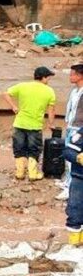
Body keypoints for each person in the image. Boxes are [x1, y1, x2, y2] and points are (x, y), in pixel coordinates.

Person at [3, 67, 57, 181]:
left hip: (19, 124)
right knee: (34, 149)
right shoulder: (49, 91)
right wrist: (51, 124)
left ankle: (20, 173)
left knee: (19, 148)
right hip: (35, 126)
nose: (48, 80)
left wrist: (13, 106)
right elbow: (51, 110)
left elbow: (6, 93)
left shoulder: (22, 86)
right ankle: (33, 174)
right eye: (48, 77)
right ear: (43, 77)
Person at [56, 63, 83, 201]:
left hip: (79, 130)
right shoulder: (74, 91)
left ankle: (71, 189)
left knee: (74, 159)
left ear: (79, 76)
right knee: (68, 158)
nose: (70, 77)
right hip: (71, 127)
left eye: (72, 74)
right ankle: (67, 182)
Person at [64, 115, 83, 246]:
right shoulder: (82, 133)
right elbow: (68, 152)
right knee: (75, 213)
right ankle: (73, 247)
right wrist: (78, 157)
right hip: (80, 179)